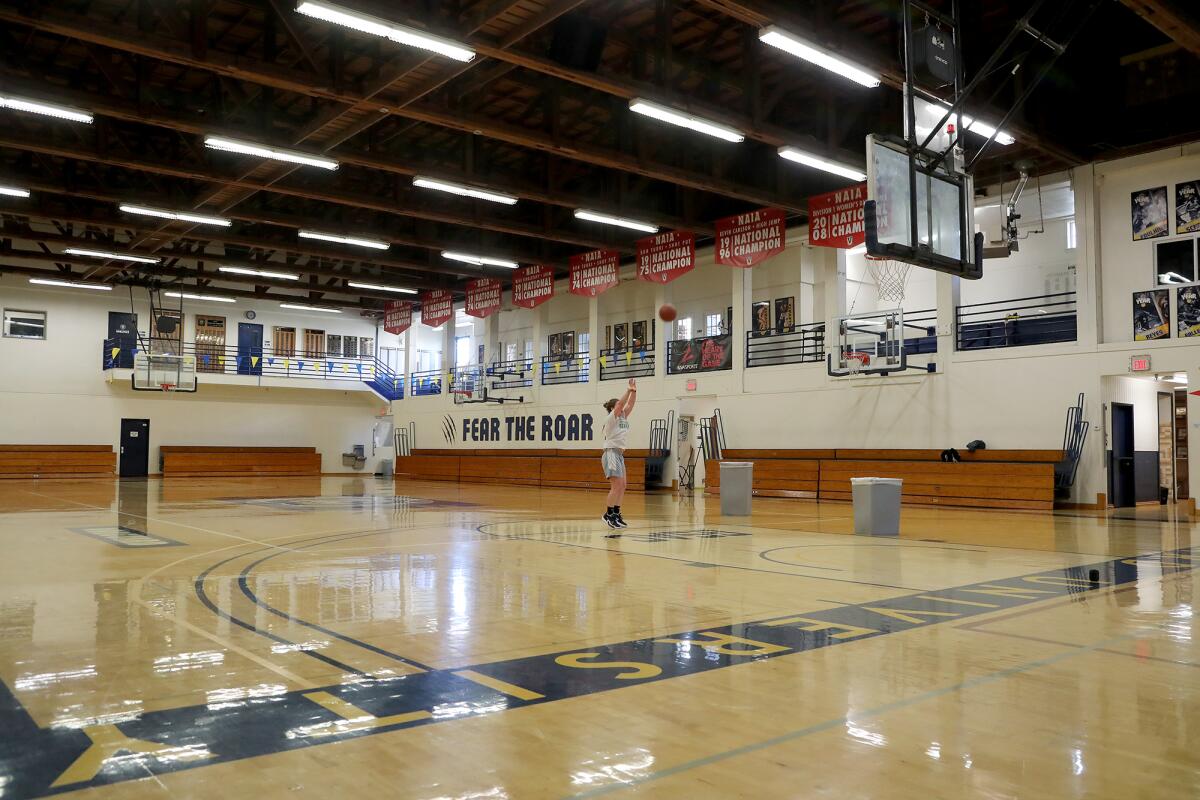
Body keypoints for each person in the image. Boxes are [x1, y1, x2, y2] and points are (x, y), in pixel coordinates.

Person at [601, 378, 637, 529]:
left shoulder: (623, 417)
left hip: (619, 454)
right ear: (613, 408)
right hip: (611, 453)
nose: (622, 409)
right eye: (618, 407)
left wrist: (634, 391)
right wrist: (628, 390)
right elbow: (622, 404)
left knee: (622, 486)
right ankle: (608, 515)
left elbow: (630, 404)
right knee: (616, 486)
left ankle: (616, 513)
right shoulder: (611, 418)